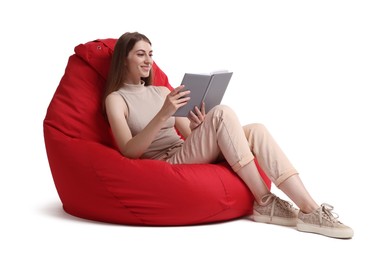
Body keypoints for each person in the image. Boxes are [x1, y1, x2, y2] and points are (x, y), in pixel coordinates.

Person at [102, 31, 353, 239]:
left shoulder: (160, 91)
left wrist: (198, 126)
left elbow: (188, 137)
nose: (148, 60)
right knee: (221, 113)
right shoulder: (116, 99)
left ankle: (310, 208)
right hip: (163, 162)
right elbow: (129, 151)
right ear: (123, 60)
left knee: (256, 129)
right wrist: (163, 114)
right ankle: (264, 200)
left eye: (150, 54)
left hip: (182, 151)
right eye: (140, 54)